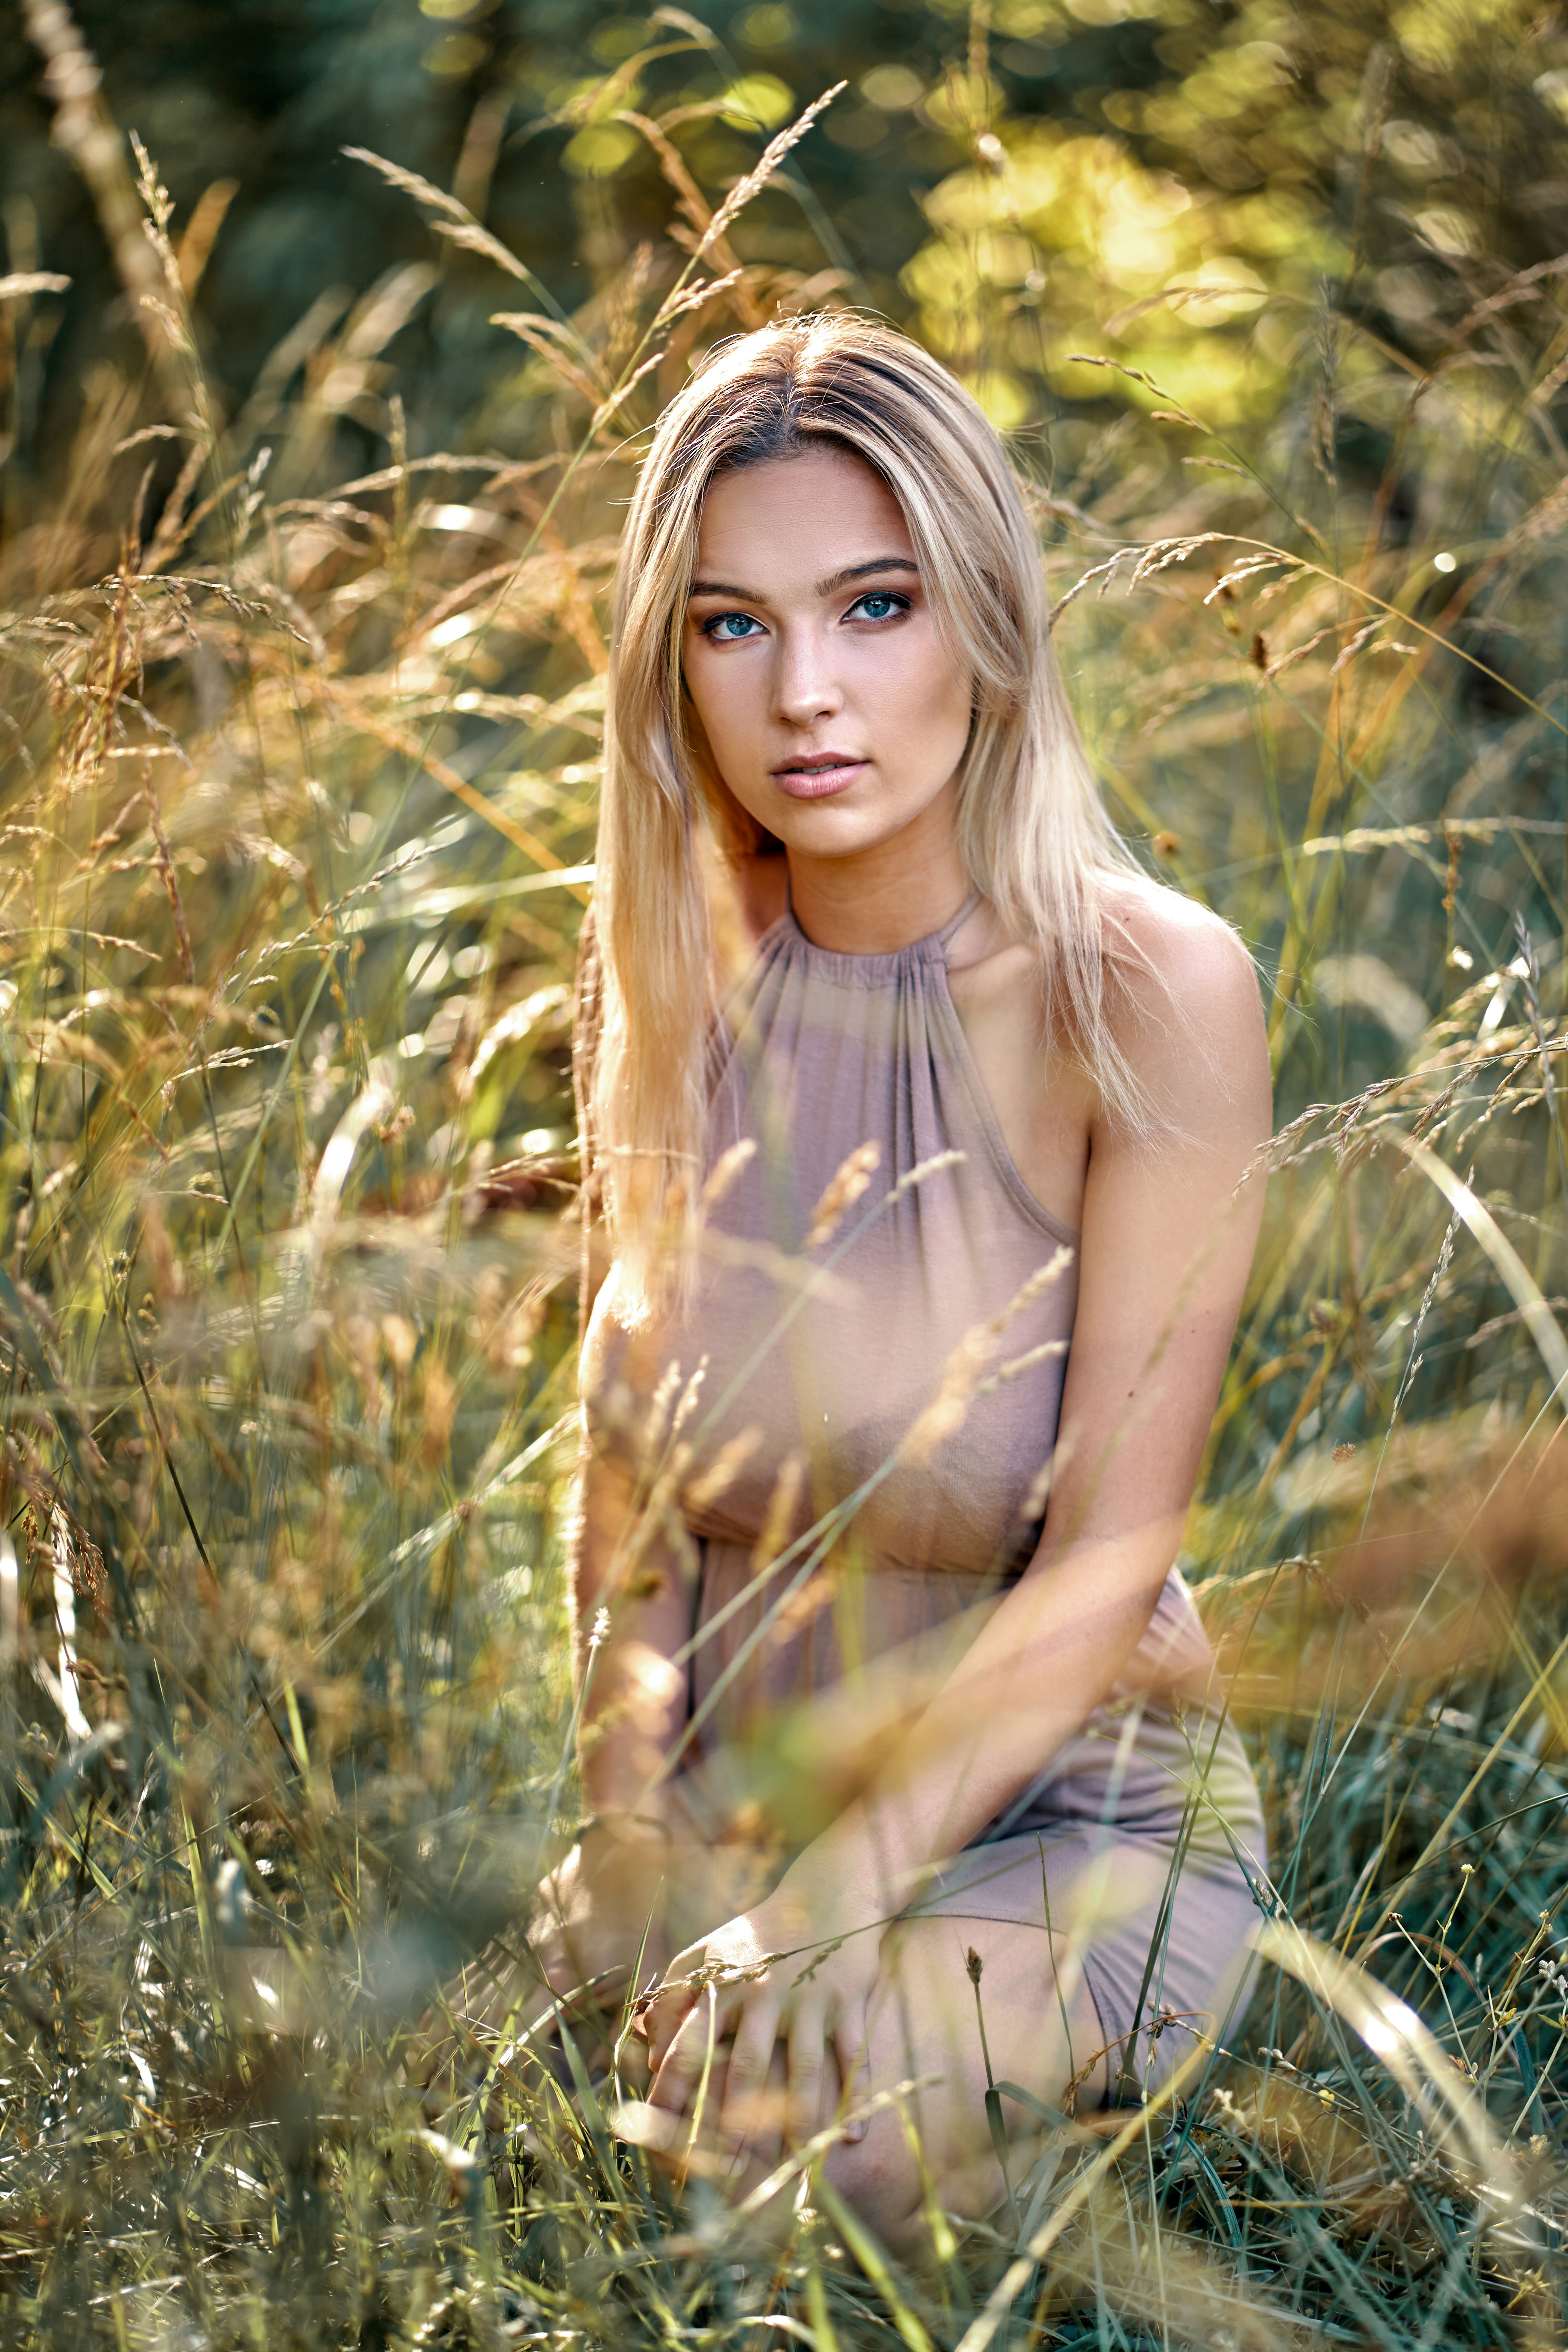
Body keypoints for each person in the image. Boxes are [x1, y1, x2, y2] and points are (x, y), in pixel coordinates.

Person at [476, 314, 1271, 2252]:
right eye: (733, 624)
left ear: (984, 623)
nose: (803, 694)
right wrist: (628, 1834)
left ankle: (1056, 2116)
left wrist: (821, 1917)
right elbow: (629, 1458)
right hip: (737, 1815)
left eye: (874, 605)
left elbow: (1106, 1556)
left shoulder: (1146, 993)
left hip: (1055, 1829)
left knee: (772, 2175)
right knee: (519, 2142)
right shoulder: (673, 953)